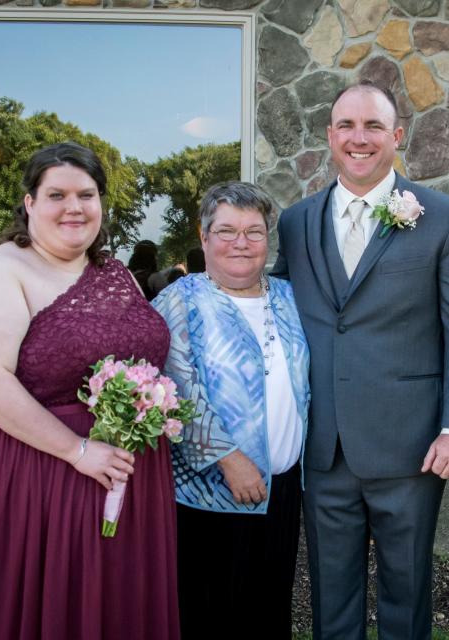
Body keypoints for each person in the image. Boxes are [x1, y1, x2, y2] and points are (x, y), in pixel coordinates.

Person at [0, 142, 180, 639]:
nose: (74, 207)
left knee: (114, 603)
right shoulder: (0, 272)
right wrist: (78, 450)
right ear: (29, 203)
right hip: (36, 473)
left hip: (123, 465)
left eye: (86, 195)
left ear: (101, 203)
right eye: (57, 195)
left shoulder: (115, 272)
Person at [272, 81, 449, 639]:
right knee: (330, 594)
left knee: (405, 590)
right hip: (324, 447)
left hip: (411, 446)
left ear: (396, 136)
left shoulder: (444, 217)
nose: (358, 138)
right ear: (329, 136)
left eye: (372, 127)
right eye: (346, 126)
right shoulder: (296, 222)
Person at [152, 181, 310, 640]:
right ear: (204, 240)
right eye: (226, 231)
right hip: (210, 492)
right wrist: (229, 459)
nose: (240, 243)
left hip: (282, 489)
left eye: (253, 231)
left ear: (267, 240)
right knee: (210, 612)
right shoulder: (180, 301)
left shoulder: (289, 298)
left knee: (269, 609)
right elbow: (177, 390)